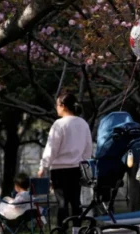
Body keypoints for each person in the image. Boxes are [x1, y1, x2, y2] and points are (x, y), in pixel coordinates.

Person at [38, 93, 93, 227]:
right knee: (76, 203)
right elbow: (88, 148)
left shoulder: (59, 124)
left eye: (57, 105)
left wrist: (43, 166)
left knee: (62, 204)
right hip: (77, 169)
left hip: (59, 171)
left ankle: (62, 230)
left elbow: (52, 148)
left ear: (62, 106)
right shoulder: (83, 124)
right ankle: (77, 230)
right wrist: (84, 163)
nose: (56, 108)